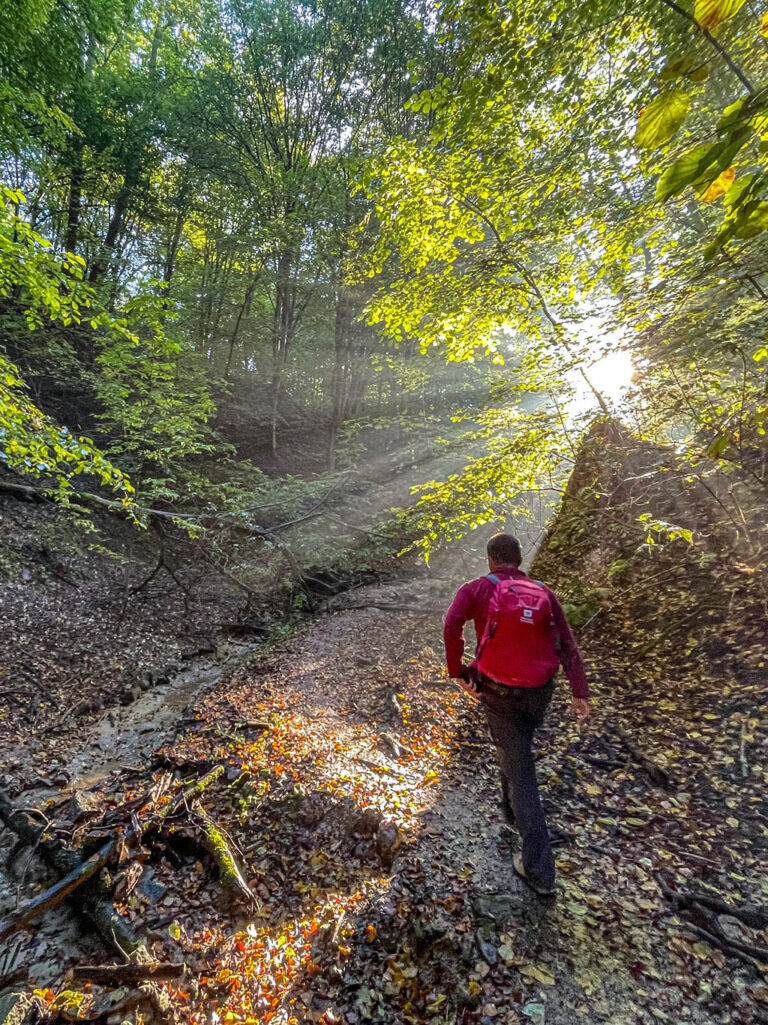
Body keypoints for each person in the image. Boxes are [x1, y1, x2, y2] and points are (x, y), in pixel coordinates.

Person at [444, 532, 590, 896]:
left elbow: (451, 626)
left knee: (521, 769)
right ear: (520, 559)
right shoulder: (544, 592)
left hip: (499, 692)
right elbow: (567, 644)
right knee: (515, 747)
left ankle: (539, 871)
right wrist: (579, 692)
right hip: (539, 693)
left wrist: (457, 671)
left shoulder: (477, 588)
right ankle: (510, 809)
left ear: (491, 560)